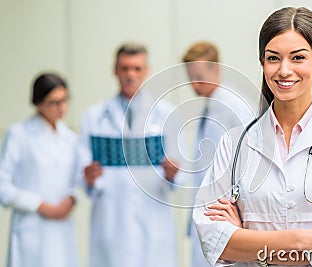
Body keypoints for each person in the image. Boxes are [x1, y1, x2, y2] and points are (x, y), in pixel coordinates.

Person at [193, 6, 312, 267]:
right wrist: (306, 240)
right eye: (273, 58)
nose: (284, 70)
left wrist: (246, 241)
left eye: (298, 58)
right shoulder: (234, 143)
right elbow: (213, 242)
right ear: (262, 62)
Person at [79, 42, 183, 267]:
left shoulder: (166, 114)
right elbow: (84, 173)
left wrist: (173, 173)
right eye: (125, 68)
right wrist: (89, 177)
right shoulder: (94, 116)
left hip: (153, 217)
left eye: (136, 68)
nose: (130, 74)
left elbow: (182, 174)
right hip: (111, 219)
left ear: (146, 70)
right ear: (114, 70)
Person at [182, 41, 256, 267]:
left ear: (216, 70)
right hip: (208, 209)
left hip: (225, 213)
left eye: (199, 75)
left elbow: (251, 161)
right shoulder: (210, 107)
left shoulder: (236, 108)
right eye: (190, 76)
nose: (194, 83)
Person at [0, 73, 79, 267]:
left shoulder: (70, 138)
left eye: (65, 100)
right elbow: (3, 186)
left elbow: (76, 179)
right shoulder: (19, 134)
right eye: (54, 102)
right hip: (31, 227)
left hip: (62, 227)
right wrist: (39, 205)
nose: (62, 108)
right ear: (38, 103)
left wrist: (72, 197)